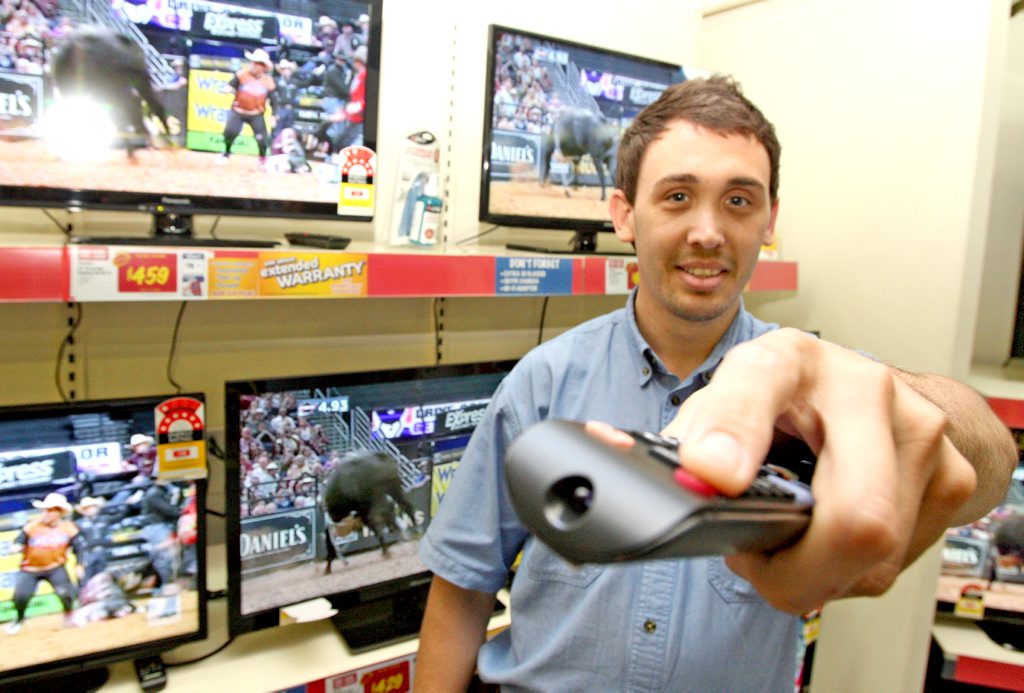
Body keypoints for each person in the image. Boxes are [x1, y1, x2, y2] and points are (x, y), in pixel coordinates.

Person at [413, 75, 1019, 691]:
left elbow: (988, 461)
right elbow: (463, 588)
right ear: (624, 214)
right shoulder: (542, 382)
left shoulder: (823, 391)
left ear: (769, 221)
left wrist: (889, 392)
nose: (708, 231)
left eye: (738, 201)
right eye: (677, 196)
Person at [6, 493, 86, 635]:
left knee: (66, 593)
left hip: (55, 567)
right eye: (45, 510)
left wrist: (79, 565)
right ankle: (19, 619)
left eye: (50, 510)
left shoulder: (69, 528)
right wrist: (16, 546)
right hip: (30, 569)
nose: (46, 513)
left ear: (59, 512)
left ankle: (69, 615)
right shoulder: (31, 527)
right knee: (21, 596)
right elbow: (19, 540)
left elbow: (79, 548)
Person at [217, 48, 276, 169]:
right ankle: (226, 153)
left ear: (263, 67)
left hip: (256, 113)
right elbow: (230, 85)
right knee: (229, 132)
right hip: (239, 110)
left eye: (258, 63)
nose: (254, 65)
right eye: (253, 62)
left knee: (261, 139)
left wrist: (273, 115)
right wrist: (227, 89)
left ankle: (263, 158)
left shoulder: (268, 81)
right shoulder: (242, 74)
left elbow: (274, 100)